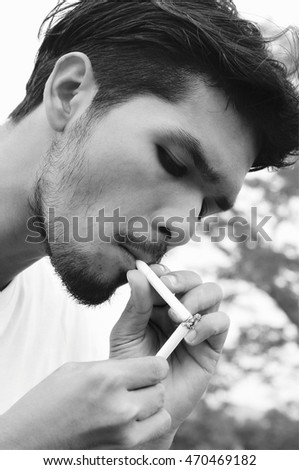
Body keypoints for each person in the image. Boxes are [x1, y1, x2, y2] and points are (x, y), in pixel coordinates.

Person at [0, 0, 297, 450]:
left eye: (206, 209)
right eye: (174, 160)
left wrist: (145, 442)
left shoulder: (91, 346)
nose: (182, 228)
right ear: (70, 92)